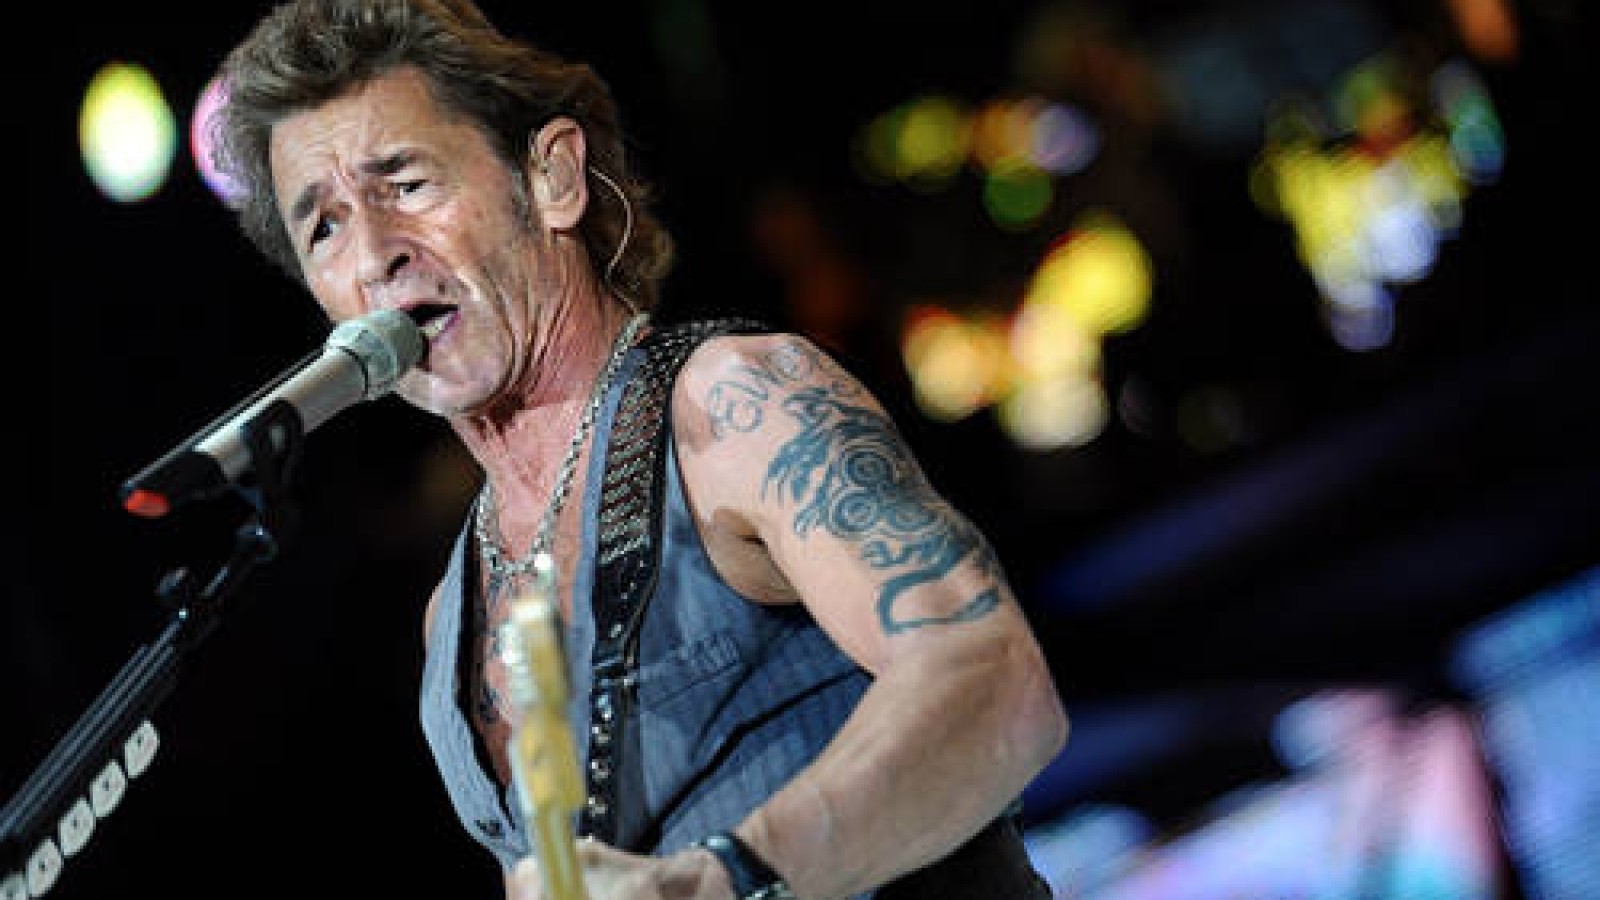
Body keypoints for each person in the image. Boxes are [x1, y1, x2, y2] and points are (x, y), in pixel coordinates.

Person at [211, 1, 1069, 897]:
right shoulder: (448, 621)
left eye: (406, 184)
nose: (374, 254)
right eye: (324, 227)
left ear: (551, 178)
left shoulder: (737, 406)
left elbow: (999, 687)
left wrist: (718, 879)